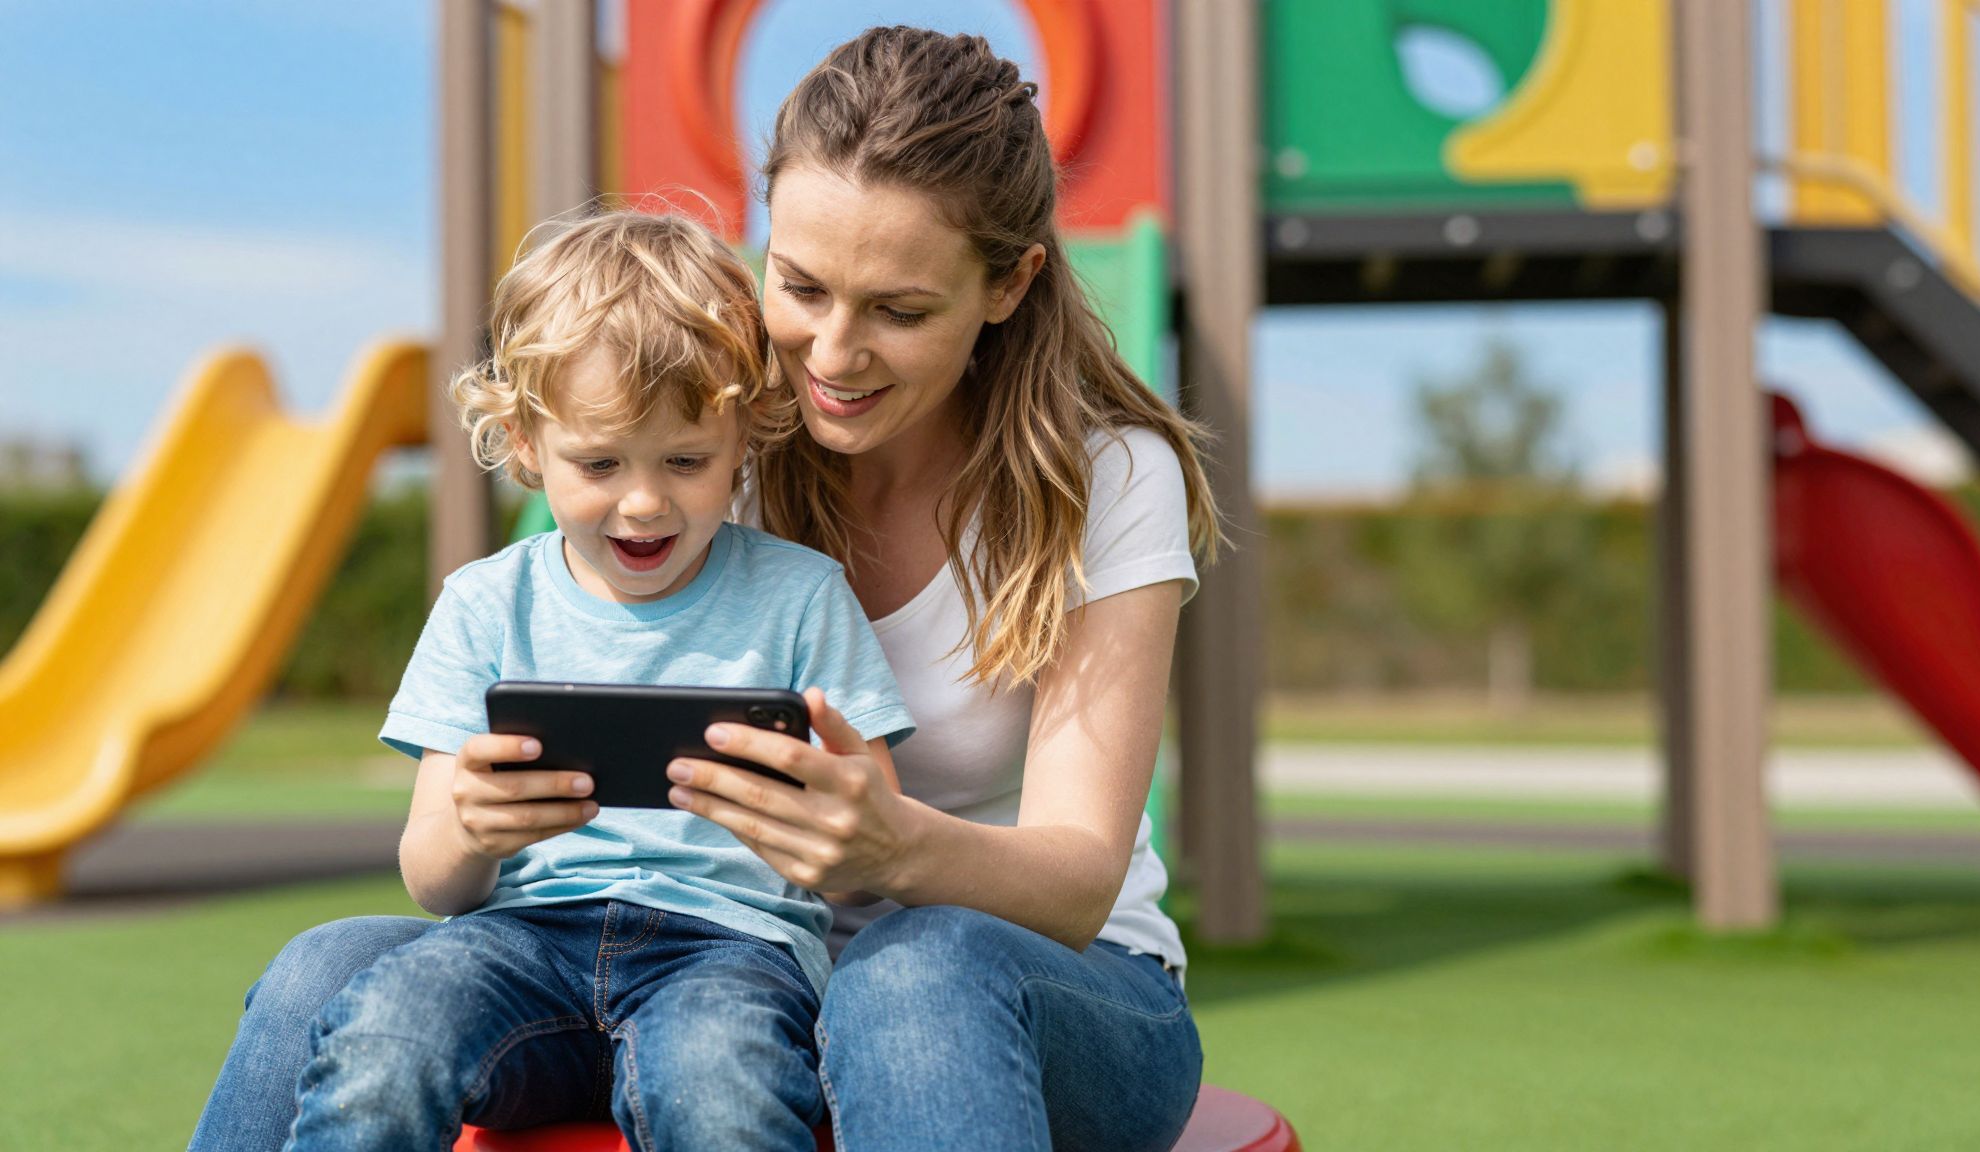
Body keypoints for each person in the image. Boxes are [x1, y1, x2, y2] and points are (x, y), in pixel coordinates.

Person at [191, 26, 1216, 1152]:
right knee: (320, 971)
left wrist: (893, 851)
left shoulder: (1109, 476)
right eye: (801, 285)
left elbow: (1075, 880)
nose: (831, 352)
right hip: (722, 960)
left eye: (899, 311)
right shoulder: (706, 445)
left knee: (910, 973)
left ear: (1007, 284)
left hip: (1039, 986)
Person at [271, 210, 915, 1152]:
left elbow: (875, 845)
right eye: (599, 462)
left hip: (730, 950)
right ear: (528, 444)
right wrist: (473, 830)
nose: (645, 500)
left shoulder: (800, 596)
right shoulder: (485, 604)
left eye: (687, 462)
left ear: (743, 438)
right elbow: (430, 878)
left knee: (721, 1089)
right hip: (519, 942)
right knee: (385, 1037)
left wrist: (816, 816)